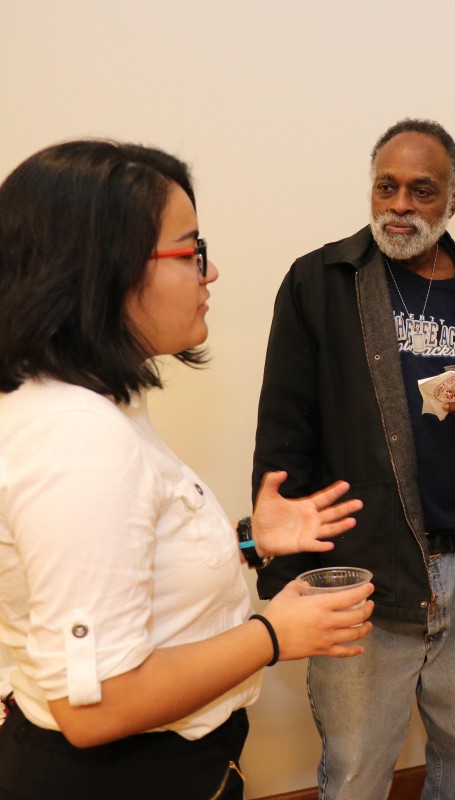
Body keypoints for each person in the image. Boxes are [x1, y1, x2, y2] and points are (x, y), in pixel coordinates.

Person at [0, 140, 374, 800]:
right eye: (190, 250)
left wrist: (249, 543)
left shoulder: (90, 409)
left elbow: (122, 576)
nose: (212, 272)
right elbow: (98, 708)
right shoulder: (78, 440)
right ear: (107, 269)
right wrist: (273, 634)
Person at [252, 118, 455, 800]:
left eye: (421, 191)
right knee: (359, 764)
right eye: (386, 187)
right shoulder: (319, 283)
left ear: (453, 201)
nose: (400, 205)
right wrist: (294, 575)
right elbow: (283, 430)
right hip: (360, 574)